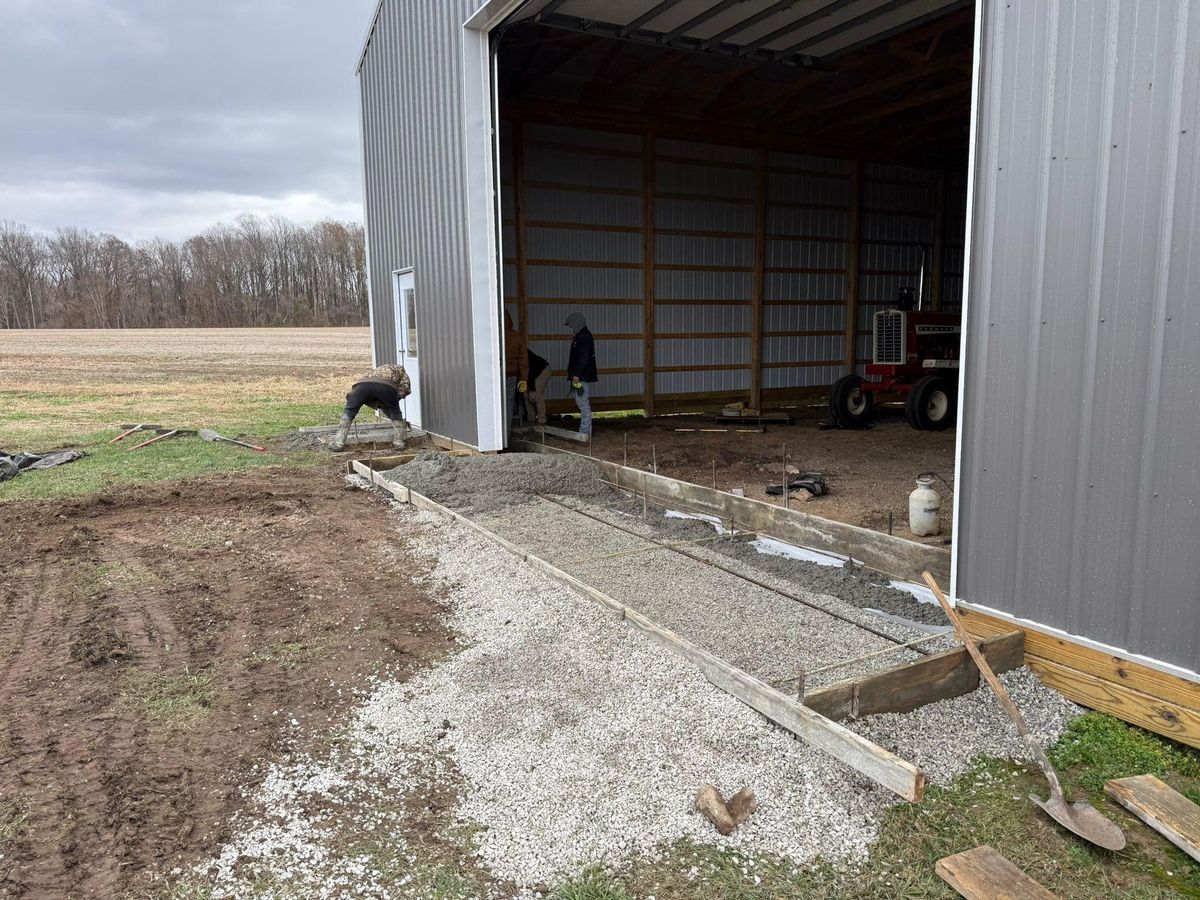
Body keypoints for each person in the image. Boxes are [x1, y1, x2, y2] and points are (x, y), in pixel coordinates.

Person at [330, 363, 410, 451]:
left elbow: (371, 387)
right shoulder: (402, 372)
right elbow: (405, 388)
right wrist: (395, 400)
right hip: (386, 387)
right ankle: (399, 442)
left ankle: (338, 443)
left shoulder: (377, 370)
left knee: (349, 412)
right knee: (395, 411)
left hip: (361, 386)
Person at [565, 311, 597, 439]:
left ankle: (585, 432)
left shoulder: (584, 337)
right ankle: (584, 430)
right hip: (579, 376)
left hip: (581, 376)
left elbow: (584, 358)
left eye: (571, 325)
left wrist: (577, 374)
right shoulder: (581, 336)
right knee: (581, 402)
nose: (571, 328)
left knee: (583, 402)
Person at [503, 311, 528, 439]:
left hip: (495, 375)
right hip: (511, 376)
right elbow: (523, 360)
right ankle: (506, 436)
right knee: (508, 405)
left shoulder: (494, 335)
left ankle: (495, 437)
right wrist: (523, 378)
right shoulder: (517, 336)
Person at [523, 346, 552, 426]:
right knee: (525, 394)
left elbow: (530, 373)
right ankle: (531, 418)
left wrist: (531, 389)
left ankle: (542, 420)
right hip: (531, 374)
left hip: (543, 370)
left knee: (536, 394)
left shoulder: (525, 355)